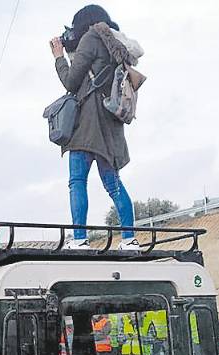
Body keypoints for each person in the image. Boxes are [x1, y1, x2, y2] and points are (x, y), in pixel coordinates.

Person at [50, 5, 143, 250]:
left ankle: (79, 239)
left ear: (84, 23)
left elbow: (71, 82)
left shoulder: (90, 39)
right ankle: (129, 239)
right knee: (113, 184)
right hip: (110, 125)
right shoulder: (114, 44)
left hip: (87, 127)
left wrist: (59, 56)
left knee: (77, 181)